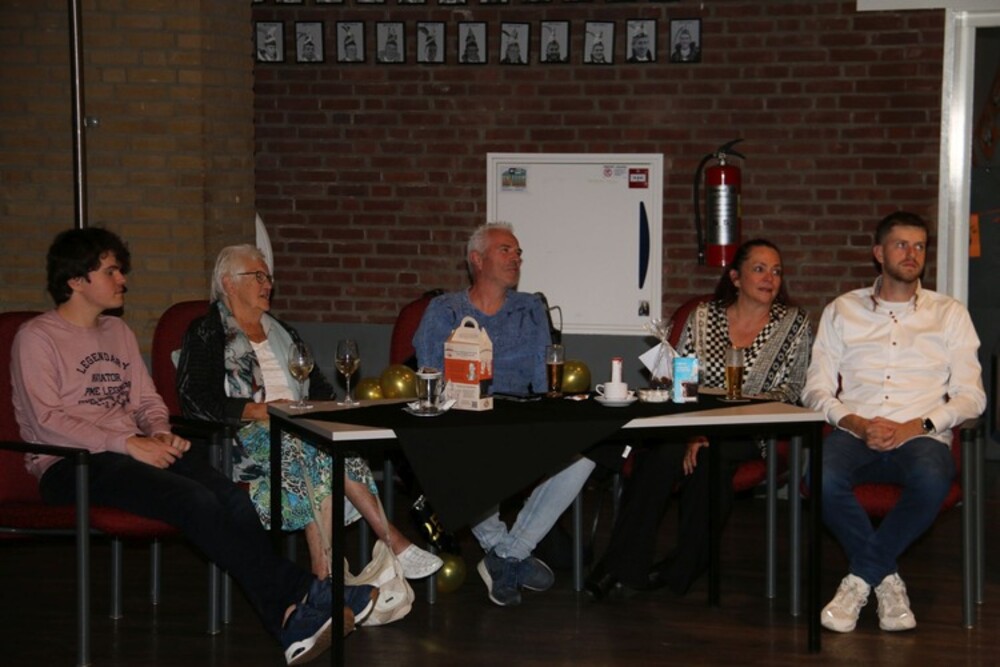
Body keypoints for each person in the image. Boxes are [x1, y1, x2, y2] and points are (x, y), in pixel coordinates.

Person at [11, 228, 377, 666]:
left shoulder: (117, 332)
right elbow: (48, 421)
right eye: (111, 271)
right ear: (76, 279)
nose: (122, 279)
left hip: (133, 449)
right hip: (71, 464)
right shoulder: (38, 337)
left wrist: (158, 431)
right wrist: (128, 442)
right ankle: (308, 592)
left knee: (230, 498)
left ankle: (290, 616)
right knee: (193, 500)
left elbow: (147, 402)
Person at [177, 245, 442, 582]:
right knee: (313, 450)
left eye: (268, 277)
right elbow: (195, 401)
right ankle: (391, 544)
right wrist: (260, 410)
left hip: (294, 428)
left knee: (330, 447)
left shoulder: (283, 332)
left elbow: (320, 391)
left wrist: (315, 413)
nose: (268, 284)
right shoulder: (206, 332)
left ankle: (326, 577)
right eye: (258, 276)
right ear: (229, 283)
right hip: (238, 440)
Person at [585, 239, 812, 600]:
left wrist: (715, 426)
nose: (770, 278)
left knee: (710, 457)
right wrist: (695, 428)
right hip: (692, 420)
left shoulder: (794, 323)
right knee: (662, 454)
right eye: (759, 269)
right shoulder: (703, 316)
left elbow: (792, 389)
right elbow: (681, 379)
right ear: (735, 277)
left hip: (754, 427)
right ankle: (625, 565)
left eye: (776, 271)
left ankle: (678, 568)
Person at [802, 211, 986, 633]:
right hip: (855, 430)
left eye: (919, 246)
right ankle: (886, 580)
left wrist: (917, 426)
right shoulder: (842, 310)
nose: (911, 253)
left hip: (921, 435)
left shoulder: (949, 313)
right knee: (820, 477)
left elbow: (973, 396)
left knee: (932, 478)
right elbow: (815, 389)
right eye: (901, 244)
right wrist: (856, 423)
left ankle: (860, 578)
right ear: (878, 253)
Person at [413, 222, 596, 607]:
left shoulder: (529, 308)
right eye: (505, 250)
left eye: (518, 252)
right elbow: (430, 376)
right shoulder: (445, 310)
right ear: (477, 260)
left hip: (518, 417)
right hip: (463, 419)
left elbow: (541, 381)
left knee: (585, 457)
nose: (516, 258)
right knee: (472, 450)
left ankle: (508, 553)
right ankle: (508, 552)